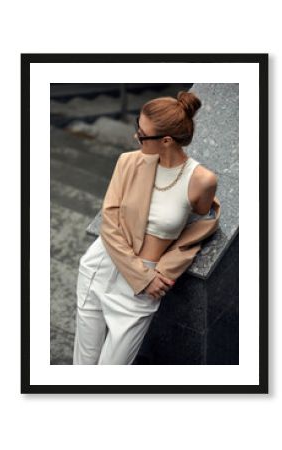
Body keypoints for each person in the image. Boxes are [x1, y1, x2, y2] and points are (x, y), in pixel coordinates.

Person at [73, 90, 219, 365]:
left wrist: (163, 270)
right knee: (83, 364)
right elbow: (110, 222)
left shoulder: (202, 180)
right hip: (102, 266)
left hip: (143, 287)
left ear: (166, 141)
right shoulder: (128, 162)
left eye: (142, 134)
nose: (135, 137)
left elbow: (200, 225)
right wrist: (144, 277)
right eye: (136, 128)